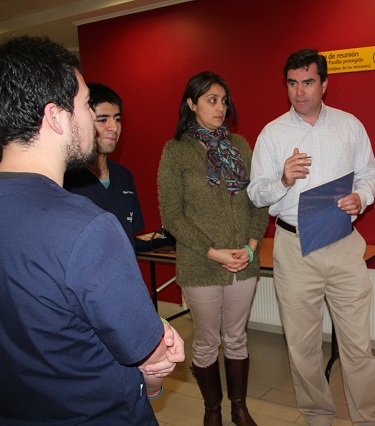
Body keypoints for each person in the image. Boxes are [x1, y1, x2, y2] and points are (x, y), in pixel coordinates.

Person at [0, 36, 185, 425]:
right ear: (56, 116)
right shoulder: (88, 226)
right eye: (86, 104)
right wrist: (158, 364)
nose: (92, 121)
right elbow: (148, 352)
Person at [247, 49, 375, 425]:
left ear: (324, 84)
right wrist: (283, 180)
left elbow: (369, 175)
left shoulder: (350, 125)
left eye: (308, 82)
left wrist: (362, 197)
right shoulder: (273, 133)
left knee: (358, 347)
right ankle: (317, 417)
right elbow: (256, 193)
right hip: (294, 248)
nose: (300, 91)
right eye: (292, 83)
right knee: (302, 347)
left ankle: (368, 420)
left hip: (343, 244)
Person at [158, 71, 269, 426]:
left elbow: (258, 200)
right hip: (201, 263)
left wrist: (251, 246)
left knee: (236, 337)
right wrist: (213, 251)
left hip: (244, 260)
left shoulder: (241, 146)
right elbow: (171, 215)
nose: (220, 107)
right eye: (211, 100)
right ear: (191, 104)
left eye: (223, 100)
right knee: (207, 341)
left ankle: (239, 408)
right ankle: (212, 411)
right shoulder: (176, 151)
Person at [64, 83, 145, 251]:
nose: (114, 127)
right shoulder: (66, 180)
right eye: (102, 120)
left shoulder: (124, 176)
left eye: (117, 119)